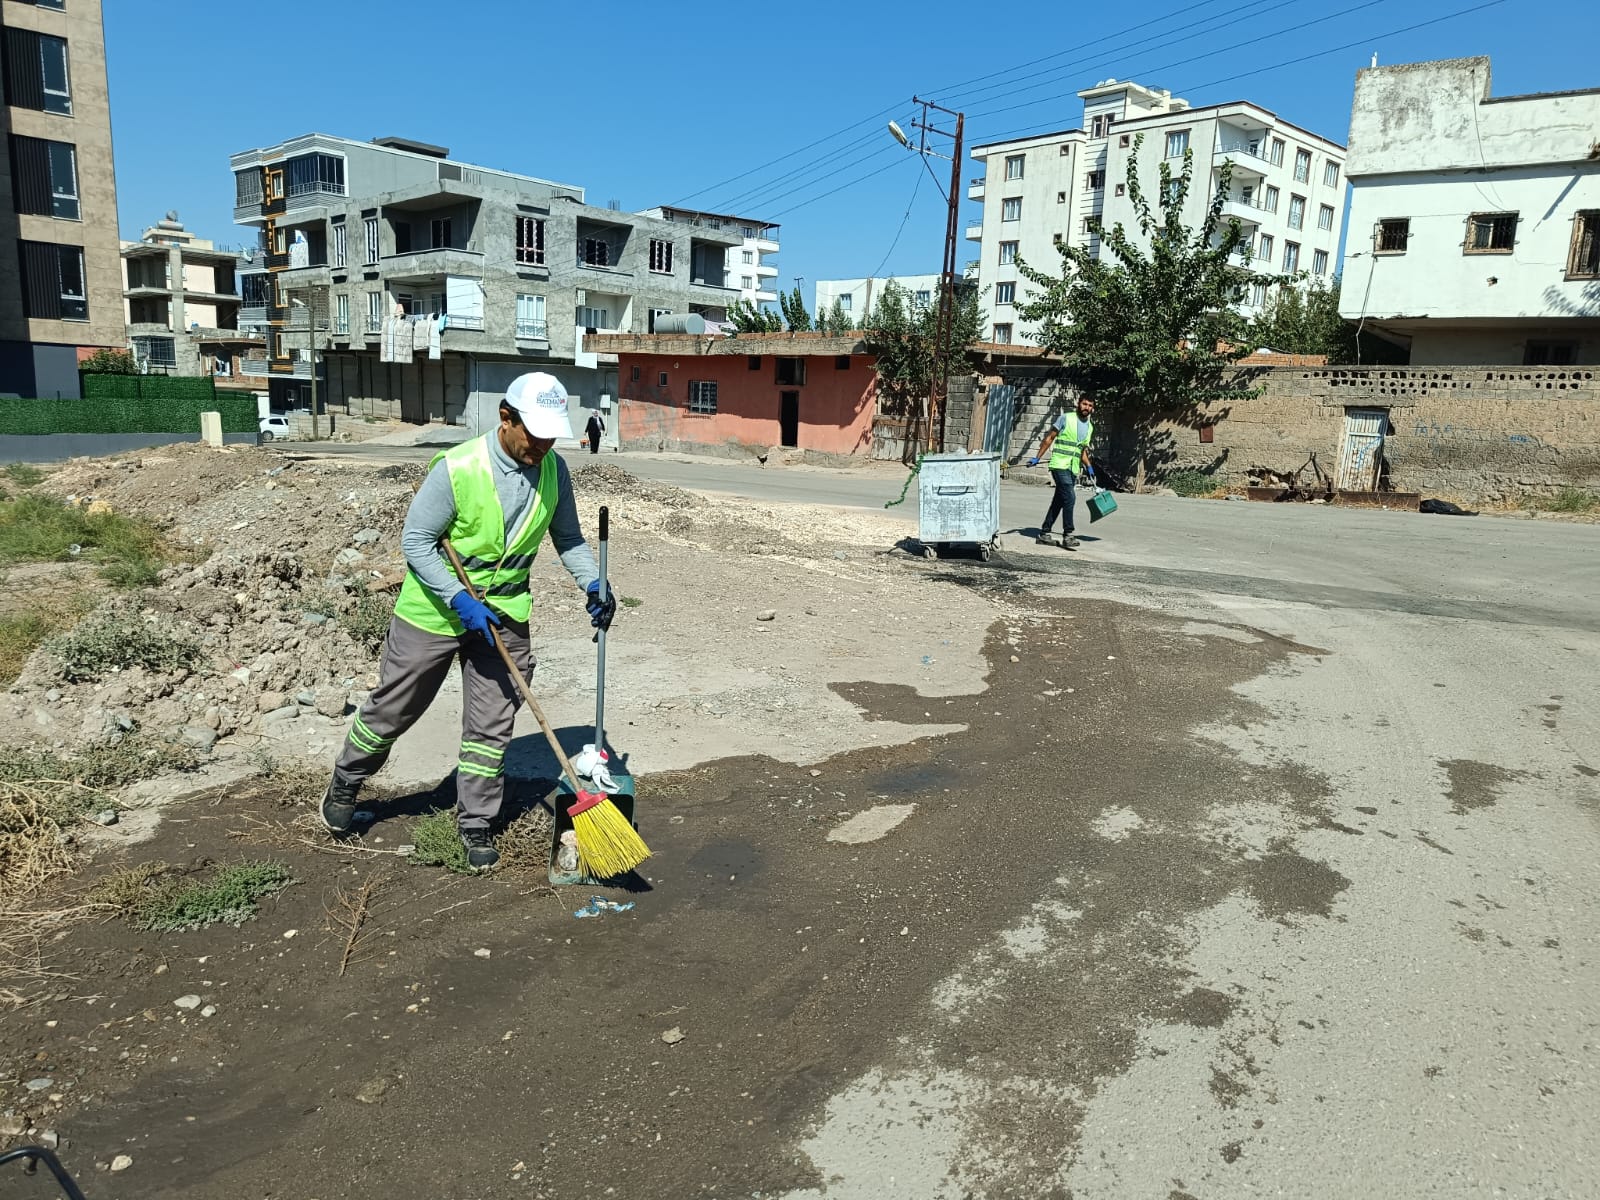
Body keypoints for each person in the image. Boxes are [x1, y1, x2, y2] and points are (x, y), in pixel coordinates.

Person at [320, 371, 615, 869]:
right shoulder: (457, 468)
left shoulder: (554, 471)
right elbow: (417, 541)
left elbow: (570, 540)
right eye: (534, 433)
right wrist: (458, 598)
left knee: (491, 726)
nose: (543, 444)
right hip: (434, 612)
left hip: (504, 615)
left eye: (551, 435)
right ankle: (348, 779)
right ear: (506, 418)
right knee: (395, 708)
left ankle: (475, 822)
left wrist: (594, 582)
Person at [1028, 396, 1096, 550]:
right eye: (1084, 403)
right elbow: (1050, 438)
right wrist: (1037, 457)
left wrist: (1089, 466)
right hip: (1059, 465)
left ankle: (1044, 533)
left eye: (1090, 405)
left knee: (1059, 500)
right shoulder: (1066, 418)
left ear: (1092, 409)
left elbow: (1081, 450)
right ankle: (1068, 535)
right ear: (1078, 404)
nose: (1086, 407)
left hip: (1072, 468)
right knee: (1070, 497)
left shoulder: (1090, 427)